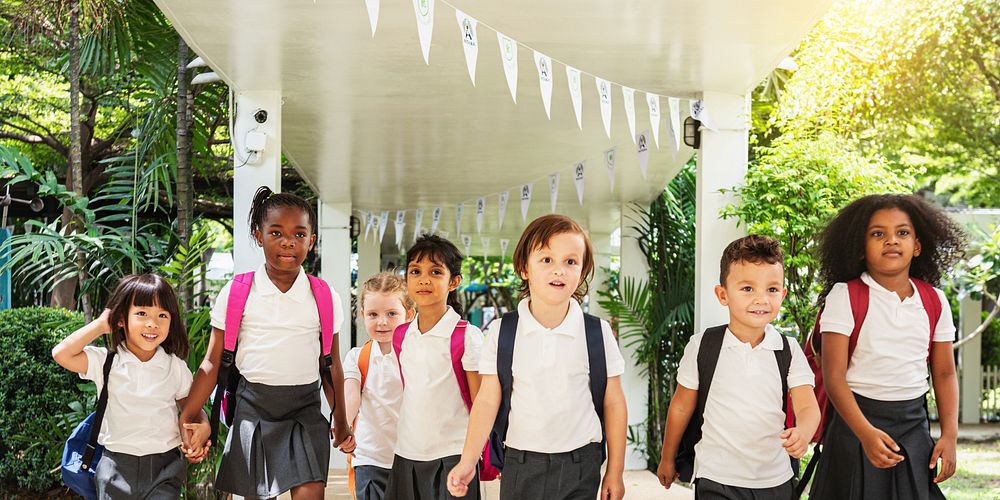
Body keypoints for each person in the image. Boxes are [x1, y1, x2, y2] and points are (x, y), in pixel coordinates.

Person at [180, 186, 354, 499]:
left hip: (304, 410)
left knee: (311, 491)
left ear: (312, 241)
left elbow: (331, 365)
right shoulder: (237, 293)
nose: (289, 241)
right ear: (259, 236)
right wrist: (188, 415)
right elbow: (212, 362)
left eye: (300, 234)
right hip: (253, 410)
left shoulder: (325, 297)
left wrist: (341, 421)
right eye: (276, 233)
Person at [447, 214, 628, 500]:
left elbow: (614, 402)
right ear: (523, 268)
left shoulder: (597, 332)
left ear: (582, 272)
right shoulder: (502, 331)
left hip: (582, 463)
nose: (560, 271)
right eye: (547, 260)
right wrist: (469, 459)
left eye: (571, 261)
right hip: (521, 463)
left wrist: (615, 471)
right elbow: (487, 399)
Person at [808, 194, 963, 500]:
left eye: (902, 232)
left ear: (917, 246)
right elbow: (835, 376)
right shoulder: (846, 296)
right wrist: (864, 433)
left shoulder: (933, 301)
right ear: (860, 247)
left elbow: (944, 373)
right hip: (855, 424)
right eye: (878, 234)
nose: (891, 241)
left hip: (913, 427)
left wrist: (949, 435)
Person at [656, 235, 820, 499]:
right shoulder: (702, 347)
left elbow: (807, 406)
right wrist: (667, 458)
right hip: (716, 477)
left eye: (772, 289)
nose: (761, 299)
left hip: (775, 479)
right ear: (723, 294)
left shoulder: (788, 350)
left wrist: (803, 431)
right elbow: (681, 406)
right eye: (747, 289)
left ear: (783, 294)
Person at [52, 274, 209, 498]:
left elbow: (191, 408)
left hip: (165, 468)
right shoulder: (106, 362)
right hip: (115, 467)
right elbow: (61, 353)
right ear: (121, 319)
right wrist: (99, 325)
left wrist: (203, 426)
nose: (152, 323)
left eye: (162, 315)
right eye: (142, 313)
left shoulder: (175, 366)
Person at [385, 234, 485, 499]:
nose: (424, 279)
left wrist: (473, 456)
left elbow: (481, 404)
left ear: (454, 282)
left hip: (453, 456)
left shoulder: (467, 336)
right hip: (406, 453)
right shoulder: (401, 335)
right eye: (415, 271)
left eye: (436, 272)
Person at [342, 272, 415, 500]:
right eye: (373, 314)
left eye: (392, 314)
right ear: (362, 315)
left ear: (409, 315)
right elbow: (351, 394)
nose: (382, 321)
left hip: (411, 458)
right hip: (369, 459)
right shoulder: (357, 357)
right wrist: (342, 425)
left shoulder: (415, 355)